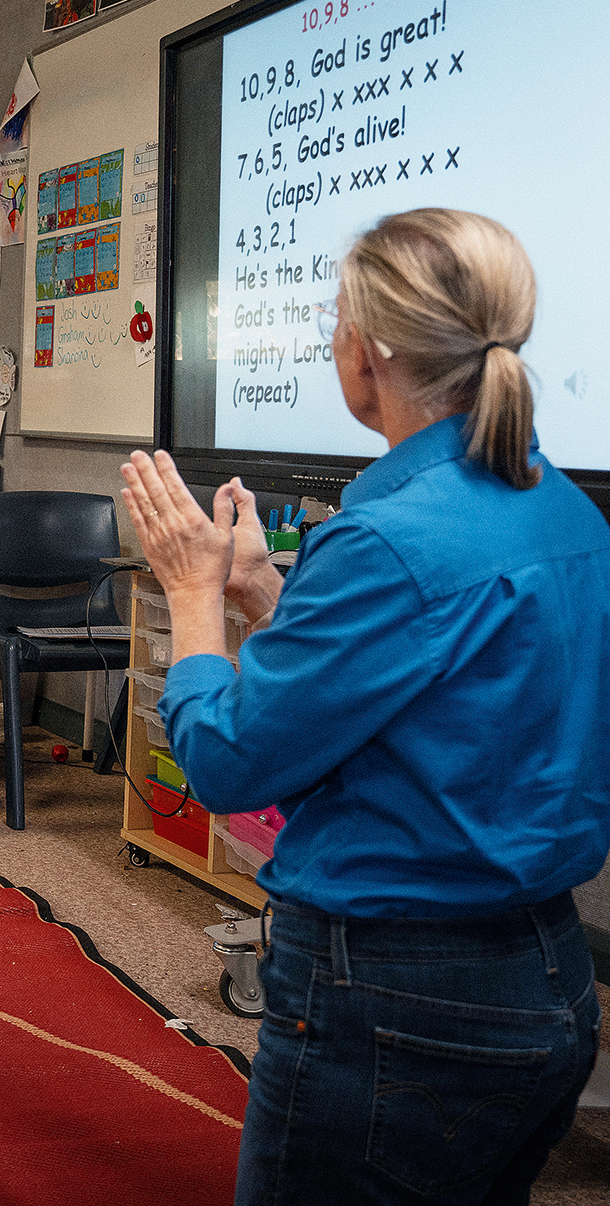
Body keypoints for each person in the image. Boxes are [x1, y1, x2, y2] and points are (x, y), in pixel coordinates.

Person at [119, 208, 610, 1205]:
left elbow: (228, 762)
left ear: (369, 348)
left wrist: (194, 594)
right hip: (548, 977)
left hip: (395, 996)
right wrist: (264, 593)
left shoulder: (385, 539)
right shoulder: (566, 509)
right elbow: (435, 699)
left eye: (333, 317)